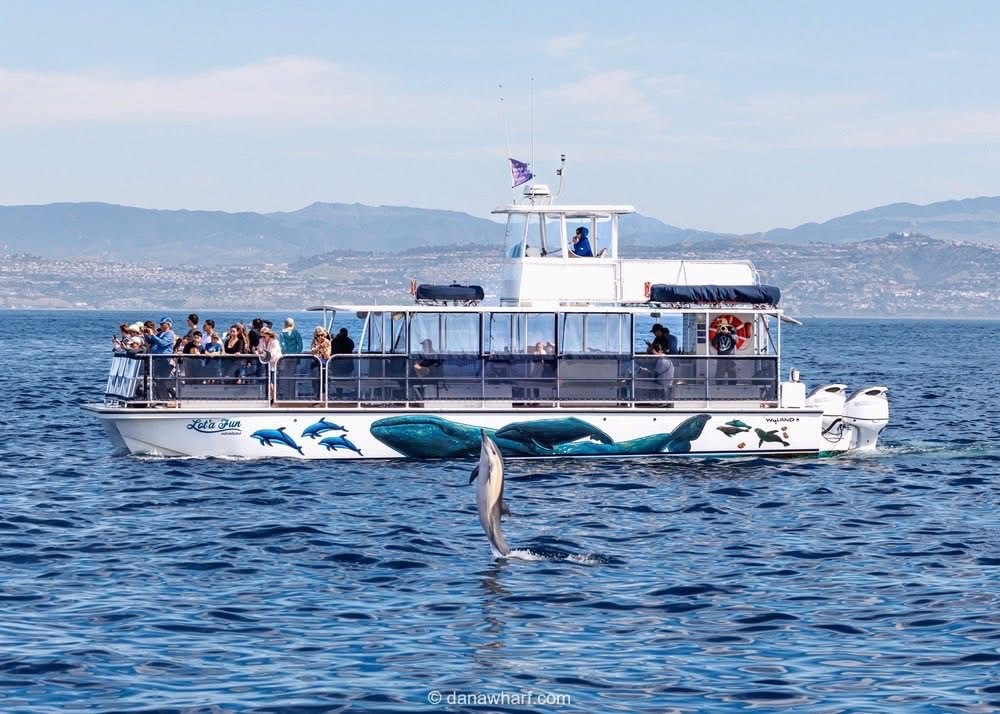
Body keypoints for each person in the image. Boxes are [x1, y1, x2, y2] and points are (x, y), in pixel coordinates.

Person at [712, 317, 739, 384]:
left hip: (731, 357)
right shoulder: (718, 335)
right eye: (720, 326)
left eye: (722, 326)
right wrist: (717, 334)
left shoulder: (733, 333)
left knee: (732, 374)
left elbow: (736, 342)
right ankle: (718, 389)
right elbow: (713, 343)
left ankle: (733, 389)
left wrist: (728, 334)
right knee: (719, 375)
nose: (721, 328)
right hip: (721, 358)